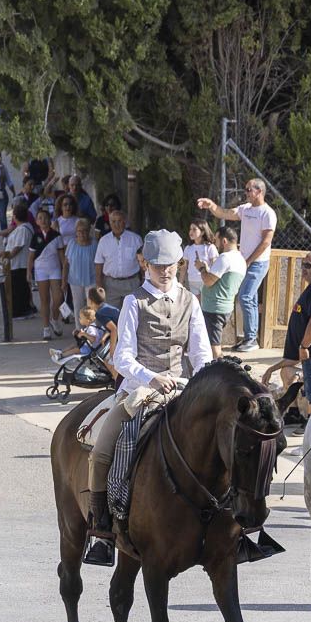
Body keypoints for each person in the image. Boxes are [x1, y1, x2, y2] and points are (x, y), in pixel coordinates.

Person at [84, 231, 212, 566]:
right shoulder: (133, 301)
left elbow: (201, 355)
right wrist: (152, 377)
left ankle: (236, 527)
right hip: (139, 390)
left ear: (178, 264)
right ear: (145, 264)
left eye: (170, 265)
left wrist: (204, 386)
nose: (165, 271)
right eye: (157, 265)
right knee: (101, 453)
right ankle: (102, 532)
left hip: (182, 389)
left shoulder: (191, 302)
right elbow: (123, 357)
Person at [197, 179, 277, 351]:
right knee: (251, 298)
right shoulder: (245, 209)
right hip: (244, 262)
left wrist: (248, 261)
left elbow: (266, 242)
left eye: (249, 190)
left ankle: (251, 339)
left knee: (245, 297)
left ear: (259, 191)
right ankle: (250, 337)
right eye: (245, 189)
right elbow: (224, 213)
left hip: (258, 262)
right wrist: (211, 205)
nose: (246, 192)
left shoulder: (267, 213)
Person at [261, 252, 311, 414]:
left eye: (308, 266)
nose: (303, 269)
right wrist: (271, 369)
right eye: (302, 264)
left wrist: (304, 346)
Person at [195, 226, 245, 359]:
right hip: (224, 309)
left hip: (213, 309)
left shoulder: (225, 258)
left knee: (214, 349)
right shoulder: (240, 259)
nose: (215, 244)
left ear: (224, 241)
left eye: (216, 240)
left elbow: (208, 281)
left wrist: (201, 269)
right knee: (212, 345)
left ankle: (221, 377)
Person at [50, 287, 119, 366]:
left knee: (109, 363)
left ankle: (61, 355)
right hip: (126, 332)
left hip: (120, 337)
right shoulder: (105, 307)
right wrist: (104, 337)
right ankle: (60, 353)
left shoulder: (100, 313)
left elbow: (114, 329)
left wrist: (112, 355)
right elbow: (111, 327)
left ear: (90, 301)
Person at [93, 210, 143, 309]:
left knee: (132, 314)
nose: (117, 224)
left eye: (119, 221)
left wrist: (144, 281)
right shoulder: (103, 241)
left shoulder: (135, 239)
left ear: (124, 222)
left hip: (131, 283)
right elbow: (99, 265)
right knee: (112, 316)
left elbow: (143, 263)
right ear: (109, 223)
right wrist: (99, 286)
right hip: (110, 285)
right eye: (113, 221)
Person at [30, 208, 65, 339]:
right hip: (41, 271)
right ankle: (46, 328)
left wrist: (64, 273)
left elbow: (62, 256)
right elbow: (31, 256)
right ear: (37, 221)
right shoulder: (35, 237)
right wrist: (29, 272)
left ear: (50, 220)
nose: (43, 220)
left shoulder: (56, 236)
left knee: (58, 298)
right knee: (44, 300)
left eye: (45, 218)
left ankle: (55, 319)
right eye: (40, 218)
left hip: (55, 270)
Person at [0, 202, 36, 319]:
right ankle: (24, 309)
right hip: (18, 264)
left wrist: (7, 256)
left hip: (19, 264)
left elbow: (18, 247)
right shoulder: (24, 228)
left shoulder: (23, 229)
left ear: (15, 216)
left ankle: (21, 311)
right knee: (21, 288)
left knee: (18, 289)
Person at [64, 217, 97, 315]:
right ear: (76, 232)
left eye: (85, 231)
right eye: (79, 231)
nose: (82, 233)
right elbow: (66, 264)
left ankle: (92, 329)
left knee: (91, 306)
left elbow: (99, 264)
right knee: (78, 305)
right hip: (75, 280)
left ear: (89, 231)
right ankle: (79, 329)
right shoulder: (72, 243)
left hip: (92, 279)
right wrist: (63, 281)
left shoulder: (95, 244)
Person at [181, 219, 218, 299]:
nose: (191, 231)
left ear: (202, 232)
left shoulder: (210, 247)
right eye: (190, 229)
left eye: (194, 229)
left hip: (205, 281)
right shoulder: (188, 248)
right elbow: (184, 266)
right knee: (196, 306)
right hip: (192, 281)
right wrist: (181, 282)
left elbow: (215, 265)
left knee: (204, 306)